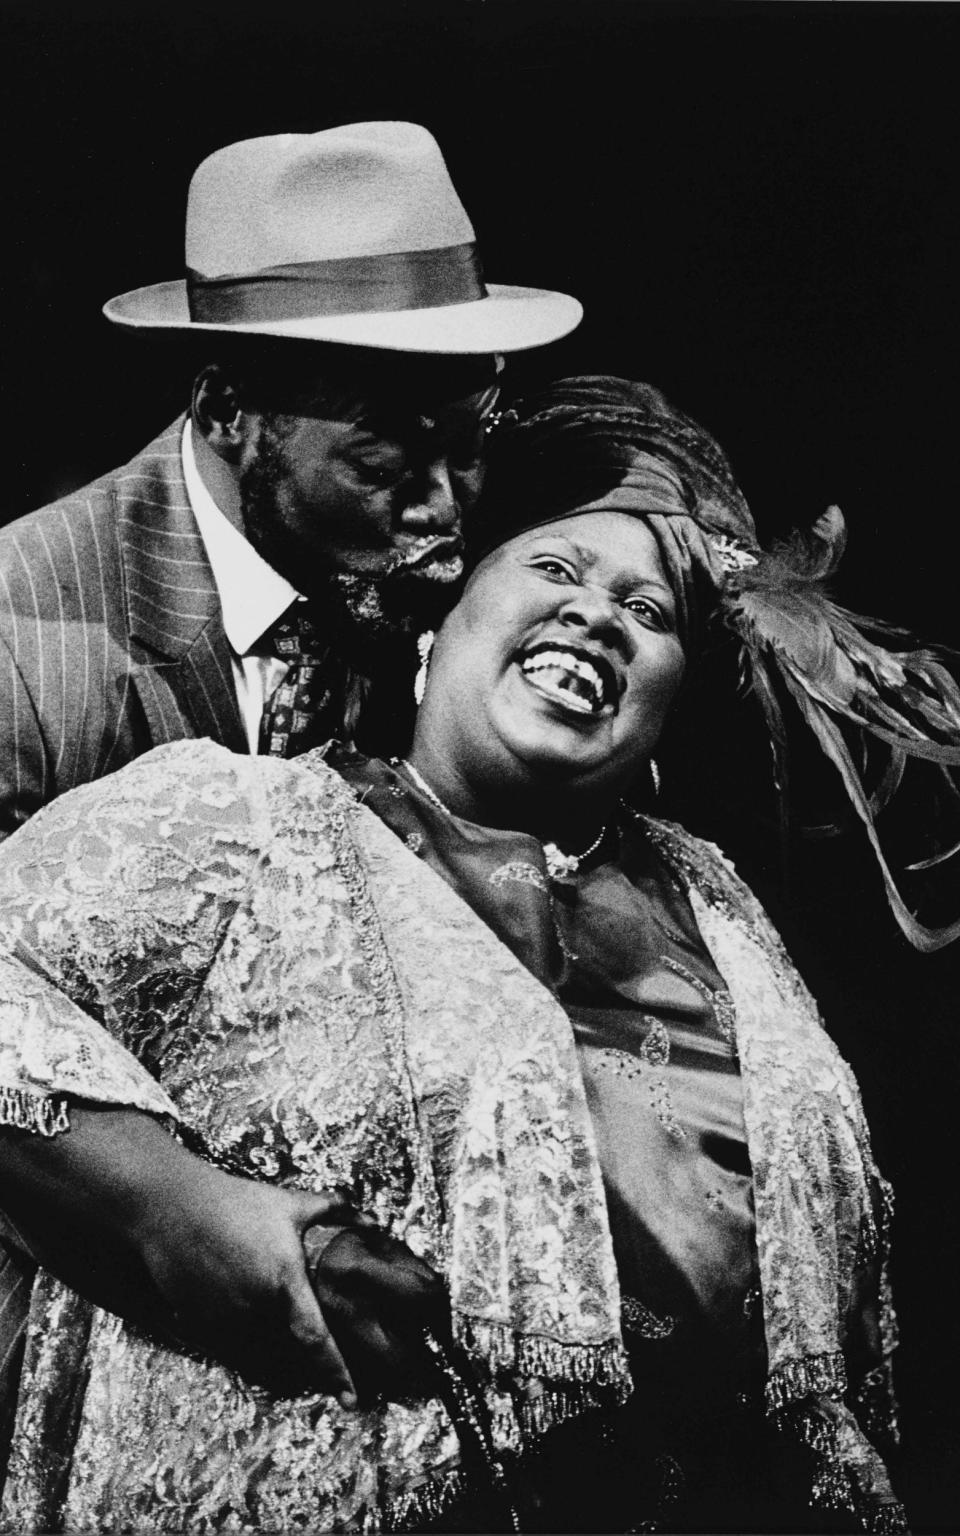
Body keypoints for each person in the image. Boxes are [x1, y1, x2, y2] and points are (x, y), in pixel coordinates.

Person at [3, 375, 955, 1532]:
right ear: (439, 618)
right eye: (554, 570)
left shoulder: (725, 915)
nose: (598, 616)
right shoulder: (239, 828)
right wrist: (202, 1220)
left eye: (651, 614)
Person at [0, 119, 581, 1457]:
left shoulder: (432, 582)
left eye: (471, 441)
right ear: (224, 410)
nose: (444, 507)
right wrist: (227, 1234)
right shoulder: (30, 636)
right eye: (386, 460)